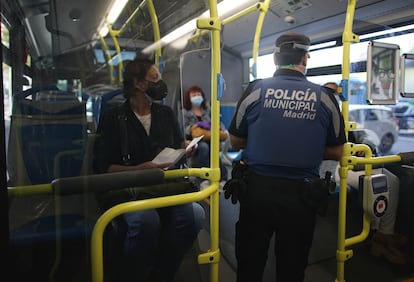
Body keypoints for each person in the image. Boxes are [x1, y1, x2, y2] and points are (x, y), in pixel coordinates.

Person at [225, 32, 347, 282]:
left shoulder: (255, 90)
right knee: (292, 267)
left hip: (257, 190)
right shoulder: (325, 97)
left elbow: (235, 140)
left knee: (250, 262)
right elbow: (337, 151)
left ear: (274, 58)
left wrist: (265, 140)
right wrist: (306, 145)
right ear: (305, 58)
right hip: (301, 196)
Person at [93, 57, 205, 282]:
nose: (160, 83)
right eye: (155, 78)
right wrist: (139, 169)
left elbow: (176, 145)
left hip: (165, 187)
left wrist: (186, 149)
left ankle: (162, 273)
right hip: (132, 188)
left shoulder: (165, 114)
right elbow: (102, 167)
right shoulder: (113, 118)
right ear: (138, 84)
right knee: (146, 222)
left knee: (195, 216)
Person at [321, 82, 408, 265]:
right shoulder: (320, 118)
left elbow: (366, 135)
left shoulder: (343, 117)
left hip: (356, 164)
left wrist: (366, 146)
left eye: (336, 96)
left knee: (391, 179)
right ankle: (381, 235)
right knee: (376, 182)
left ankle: (382, 233)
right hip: (334, 167)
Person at [182, 85, 228, 186]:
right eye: (194, 95)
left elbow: (218, 124)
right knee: (204, 147)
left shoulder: (207, 110)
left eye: (198, 94)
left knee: (213, 148)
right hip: (194, 140)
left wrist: (216, 127)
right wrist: (193, 127)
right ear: (189, 98)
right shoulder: (184, 112)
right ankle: (203, 179)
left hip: (209, 137)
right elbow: (183, 129)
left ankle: (222, 178)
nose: (197, 96)